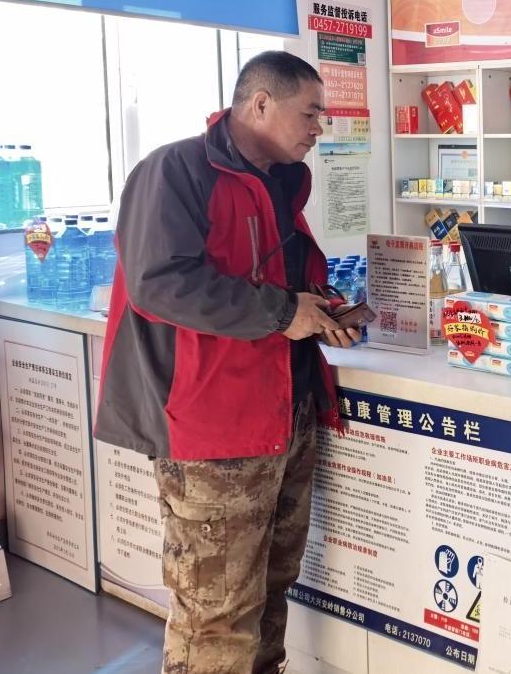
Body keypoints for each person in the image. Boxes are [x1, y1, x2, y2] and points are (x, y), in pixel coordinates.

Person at [94, 51, 363, 674]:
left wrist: (319, 311)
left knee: (271, 589)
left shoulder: (281, 183)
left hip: (286, 416)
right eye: (310, 113)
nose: (320, 127)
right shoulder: (176, 170)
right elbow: (159, 284)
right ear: (261, 103)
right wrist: (283, 312)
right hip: (214, 430)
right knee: (215, 613)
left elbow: (268, 283)